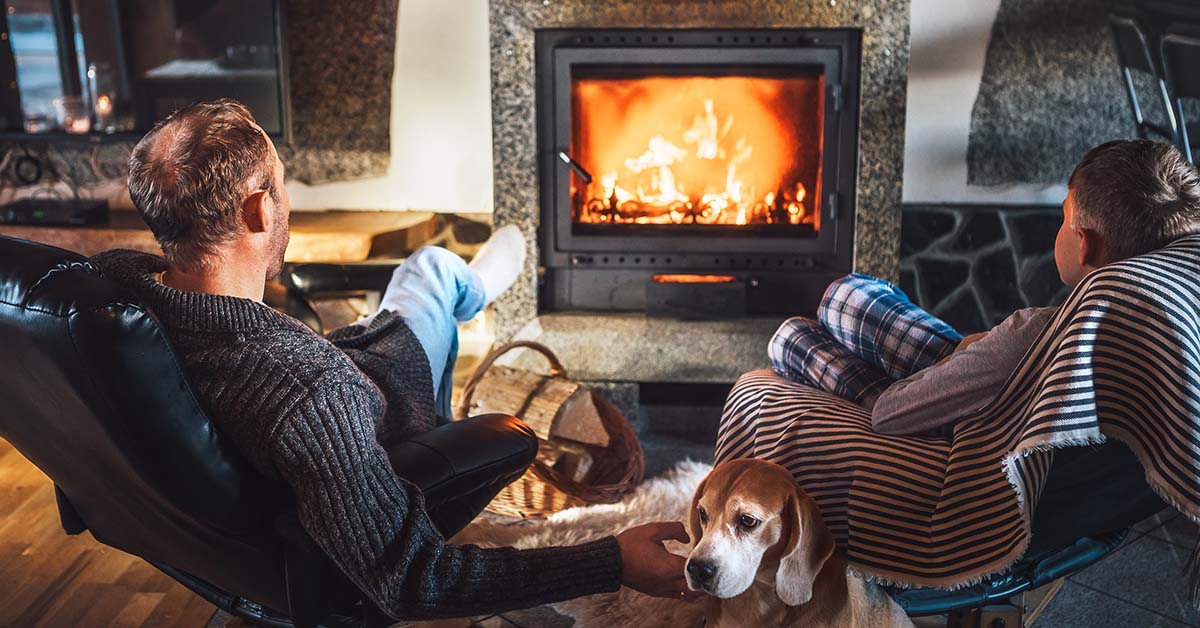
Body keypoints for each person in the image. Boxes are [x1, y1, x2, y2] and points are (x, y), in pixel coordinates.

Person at [93, 99, 692, 621]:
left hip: (328, 374)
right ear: (257, 213)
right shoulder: (308, 394)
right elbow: (413, 581)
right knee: (427, 273)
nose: (286, 201)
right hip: (384, 412)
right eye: (281, 184)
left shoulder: (109, 293)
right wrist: (613, 559)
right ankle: (469, 291)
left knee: (421, 276)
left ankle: (466, 288)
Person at [769, 139, 1200, 436]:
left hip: (958, 418)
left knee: (795, 333)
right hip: (996, 382)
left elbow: (889, 415)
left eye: (1063, 218)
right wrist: (973, 351)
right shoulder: (1173, 315)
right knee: (844, 298)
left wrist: (967, 362)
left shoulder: (1033, 337)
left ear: (1084, 244)